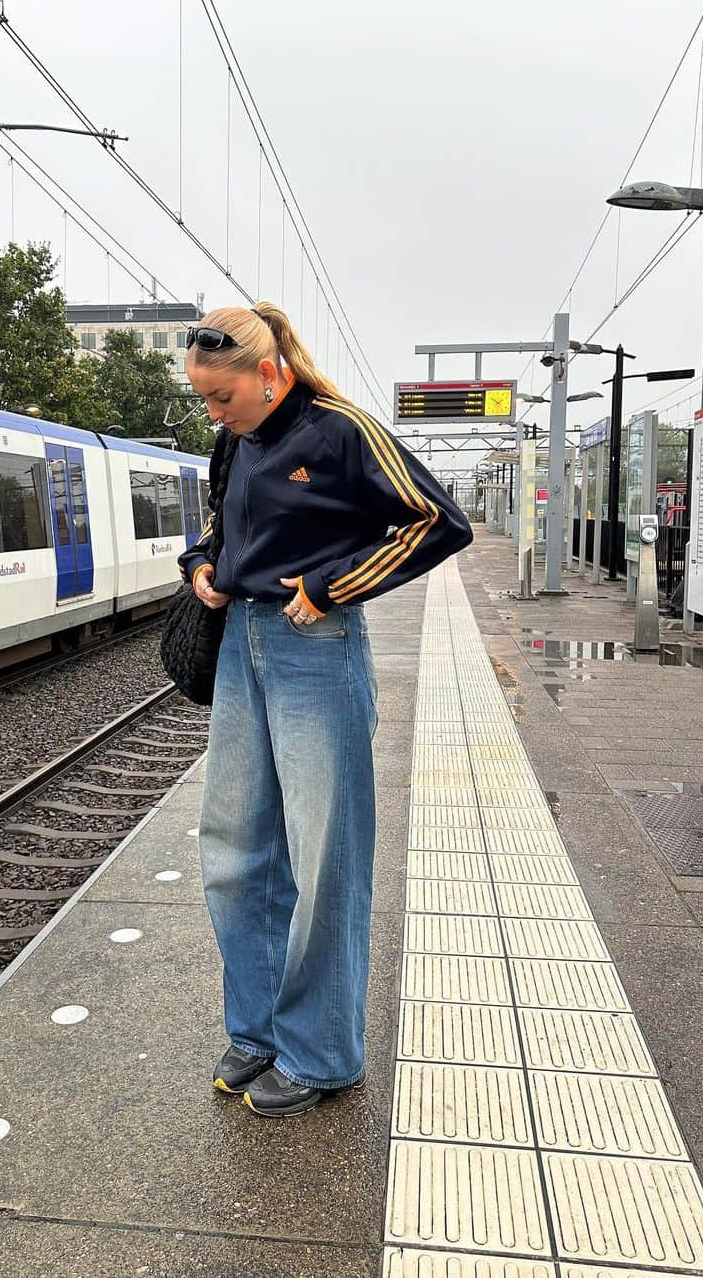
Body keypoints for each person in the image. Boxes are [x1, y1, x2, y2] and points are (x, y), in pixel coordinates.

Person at [177, 301, 473, 1118]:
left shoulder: (342, 429)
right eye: (204, 400)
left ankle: (322, 1053)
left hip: (316, 648)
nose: (215, 414)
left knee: (324, 855)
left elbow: (440, 521)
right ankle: (260, 1028)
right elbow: (219, 525)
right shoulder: (232, 439)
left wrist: (328, 585)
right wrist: (201, 563)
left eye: (223, 397)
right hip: (241, 642)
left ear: (270, 373)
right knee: (234, 842)